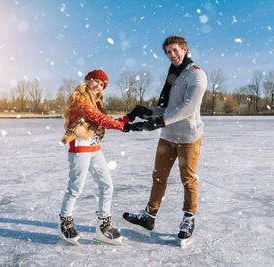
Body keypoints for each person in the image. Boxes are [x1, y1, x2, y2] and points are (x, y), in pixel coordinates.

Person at [121, 35, 207, 241]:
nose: (172, 55)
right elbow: (165, 107)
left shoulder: (197, 75)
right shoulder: (172, 75)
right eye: (168, 52)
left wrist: (160, 121)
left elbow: (188, 108)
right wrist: (148, 113)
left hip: (188, 137)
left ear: (185, 50)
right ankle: (149, 217)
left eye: (175, 50)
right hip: (167, 137)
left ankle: (189, 217)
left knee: (188, 179)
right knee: (158, 177)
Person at [58, 69, 152, 245]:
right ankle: (64, 223)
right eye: (96, 81)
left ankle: (103, 226)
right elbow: (99, 119)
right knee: (75, 188)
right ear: (88, 80)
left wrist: (130, 117)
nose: (98, 86)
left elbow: (105, 120)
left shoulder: (96, 103)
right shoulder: (79, 100)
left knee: (107, 185)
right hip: (79, 148)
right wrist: (126, 128)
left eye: (102, 85)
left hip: (94, 148)